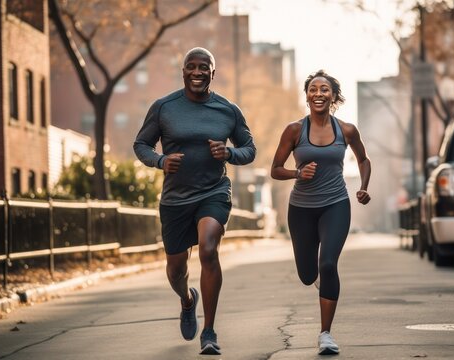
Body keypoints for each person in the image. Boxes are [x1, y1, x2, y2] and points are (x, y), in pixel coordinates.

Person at [133, 47, 256, 355]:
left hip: (213, 192)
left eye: (205, 67)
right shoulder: (164, 107)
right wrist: (161, 161)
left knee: (209, 249)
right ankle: (188, 301)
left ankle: (210, 331)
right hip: (175, 199)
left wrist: (228, 153)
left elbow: (249, 149)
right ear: (184, 71)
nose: (198, 72)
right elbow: (141, 144)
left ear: (213, 73)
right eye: (192, 67)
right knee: (176, 269)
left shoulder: (228, 110)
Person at [270, 69, 371, 355]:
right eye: (313, 89)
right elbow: (275, 170)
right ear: (307, 96)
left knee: (328, 264)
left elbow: (363, 160)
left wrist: (363, 186)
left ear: (333, 96)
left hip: (335, 204)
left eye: (324, 89)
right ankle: (315, 278)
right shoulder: (294, 130)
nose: (318, 93)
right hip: (301, 209)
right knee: (306, 274)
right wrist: (297, 173)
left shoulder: (347, 130)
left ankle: (325, 333)